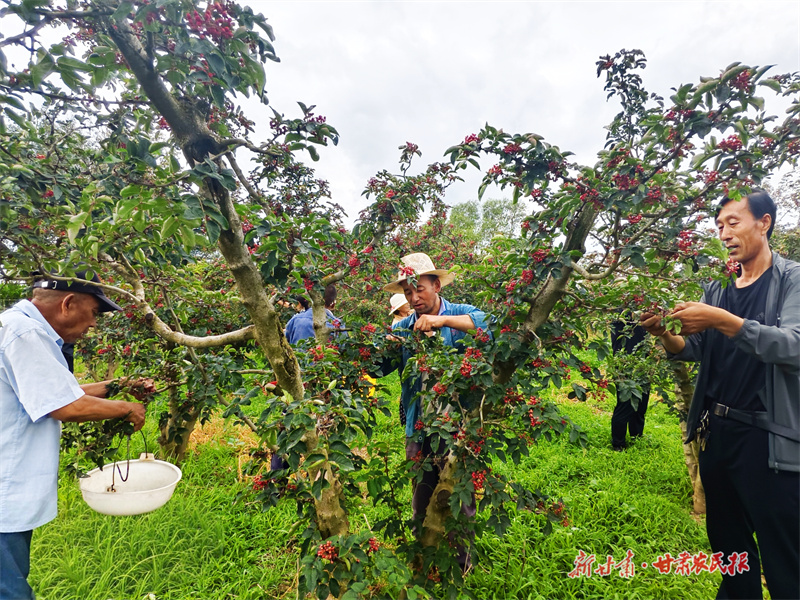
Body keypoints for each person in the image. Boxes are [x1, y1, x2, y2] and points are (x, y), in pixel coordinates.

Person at [640, 190, 799, 600]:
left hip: (769, 441)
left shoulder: (792, 280)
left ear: (764, 223)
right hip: (718, 433)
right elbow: (695, 351)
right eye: (719, 226)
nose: (724, 234)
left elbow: (793, 346)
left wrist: (725, 320)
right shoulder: (718, 289)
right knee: (730, 551)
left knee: (785, 560)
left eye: (733, 222)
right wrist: (664, 334)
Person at [0, 272, 147, 600]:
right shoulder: (24, 333)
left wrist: (117, 386)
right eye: (94, 312)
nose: (94, 324)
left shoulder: (22, 329)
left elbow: (55, 392)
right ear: (68, 304)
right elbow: (64, 405)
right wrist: (127, 408)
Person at [380, 252, 490, 568]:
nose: (414, 298)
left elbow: (489, 325)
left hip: (459, 427)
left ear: (436, 284)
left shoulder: (459, 314)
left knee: (459, 498)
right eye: (408, 292)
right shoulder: (403, 328)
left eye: (420, 289)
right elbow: (378, 368)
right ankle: (424, 559)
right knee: (421, 496)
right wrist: (385, 345)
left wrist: (441, 321)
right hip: (419, 426)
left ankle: (461, 563)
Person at [609, 317, 650, 451]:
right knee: (625, 405)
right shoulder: (622, 313)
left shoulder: (643, 307)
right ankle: (618, 443)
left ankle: (636, 437)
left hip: (643, 364)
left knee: (641, 404)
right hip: (625, 365)